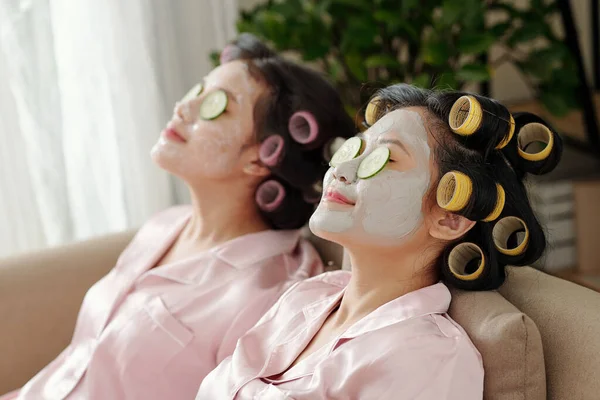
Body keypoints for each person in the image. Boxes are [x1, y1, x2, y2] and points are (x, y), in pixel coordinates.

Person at [3, 34, 356, 400]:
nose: (185, 107)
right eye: (199, 89)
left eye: (217, 105)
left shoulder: (272, 293)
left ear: (261, 158)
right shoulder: (165, 225)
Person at [196, 84, 562, 399]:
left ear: (450, 218)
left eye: (384, 159)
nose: (341, 169)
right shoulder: (306, 297)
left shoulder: (425, 358)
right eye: (353, 150)